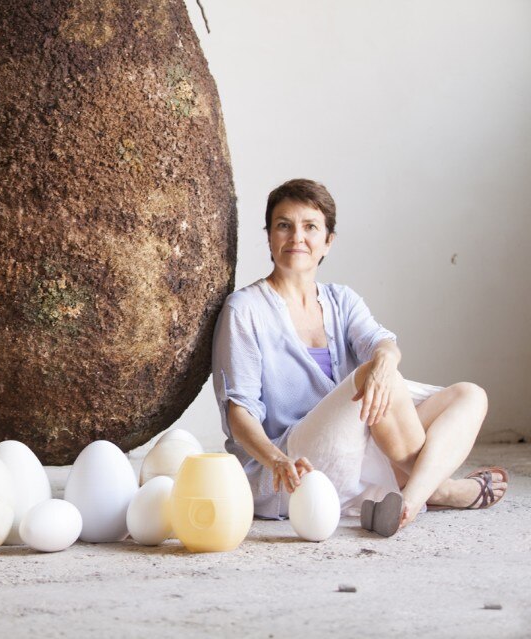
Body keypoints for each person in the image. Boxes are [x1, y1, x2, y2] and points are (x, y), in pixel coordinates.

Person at [211, 178, 507, 536]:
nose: (296, 237)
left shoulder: (341, 300)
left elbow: (382, 343)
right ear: (270, 236)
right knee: (375, 376)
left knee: (468, 394)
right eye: (283, 225)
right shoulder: (244, 309)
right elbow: (238, 411)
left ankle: (408, 500)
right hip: (290, 469)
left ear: (328, 242)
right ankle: (439, 490)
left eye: (310, 227)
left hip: (352, 455)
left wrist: (385, 362)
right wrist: (277, 460)